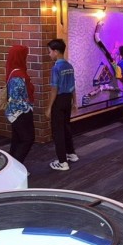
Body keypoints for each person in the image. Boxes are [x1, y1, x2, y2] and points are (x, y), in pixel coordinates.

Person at [46, 39, 78, 171]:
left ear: (56, 51)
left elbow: (54, 89)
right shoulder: (69, 66)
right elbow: (73, 86)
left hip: (58, 100)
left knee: (57, 131)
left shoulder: (56, 68)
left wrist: (49, 107)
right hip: (67, 99)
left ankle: (62, 162)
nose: (49, 54)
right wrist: (75, 102)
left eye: (49, 51)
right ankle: (71, 153)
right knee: (66, 127)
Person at [4, 44, 36, 164]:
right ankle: (16, 166)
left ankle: (12, 166)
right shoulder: (18, 75)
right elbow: (16, 98)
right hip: (20, 113)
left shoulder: (14, 71)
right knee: (28, 139)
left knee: (17, 140)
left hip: (15, 113)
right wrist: (28, 108)